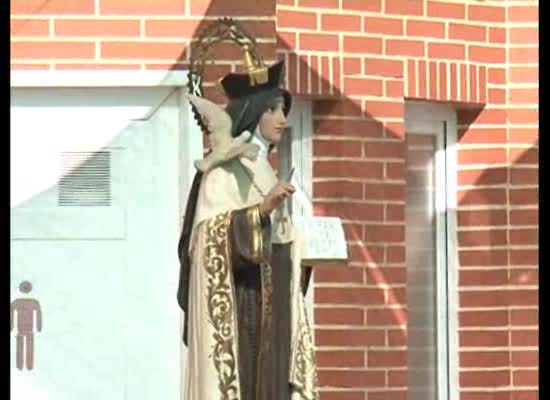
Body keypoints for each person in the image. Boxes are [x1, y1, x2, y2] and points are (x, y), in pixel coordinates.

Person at [177, 56, 319, 400]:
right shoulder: (223, 171)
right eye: (273, 109)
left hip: (276, 314)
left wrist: (304, 245)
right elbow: (206, 242)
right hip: (244, 316)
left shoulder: (266, 169)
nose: (283, 119)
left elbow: (278, 242)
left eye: (283, 110)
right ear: (253, 111)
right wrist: (260, 213)